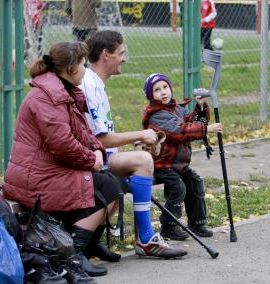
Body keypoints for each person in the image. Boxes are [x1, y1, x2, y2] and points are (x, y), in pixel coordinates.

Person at [2, 41, 121, 283]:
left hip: (52, 169)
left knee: (113, 182)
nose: (86, 70)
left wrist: (97, 150)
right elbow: (63, 144)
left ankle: (78, 247)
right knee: (108, 186)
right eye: (83, 65)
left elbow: (84, 133)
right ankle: (70, 253)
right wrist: (92, 160)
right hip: (35, 177)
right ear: (69, 69)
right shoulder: (48, 97)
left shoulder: (64, 90)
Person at [81, 30, 188, 259]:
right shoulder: (89, 85)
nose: (125, 58)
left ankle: (142, 237)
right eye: (121, 53)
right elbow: (99, 139)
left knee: (142, 160)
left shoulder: (96, 82)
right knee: (143, 160)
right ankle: (146, 238)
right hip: (93, 159)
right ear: (105, 55)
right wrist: (140, 135)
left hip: (104, 156)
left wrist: (141, 138)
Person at [142, 73, 223, 241]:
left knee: (195, 183)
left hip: (179, 163)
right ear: (151, 96)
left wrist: (200, 108)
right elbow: (180, 131)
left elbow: (194, 121)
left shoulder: (177, 109)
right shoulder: (156, 115)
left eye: (165, 87)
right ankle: (169, 226)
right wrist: (206, 129)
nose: (163, 92)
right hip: (162, 164)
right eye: (157, 90)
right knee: (178, 188)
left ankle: (197, 223)